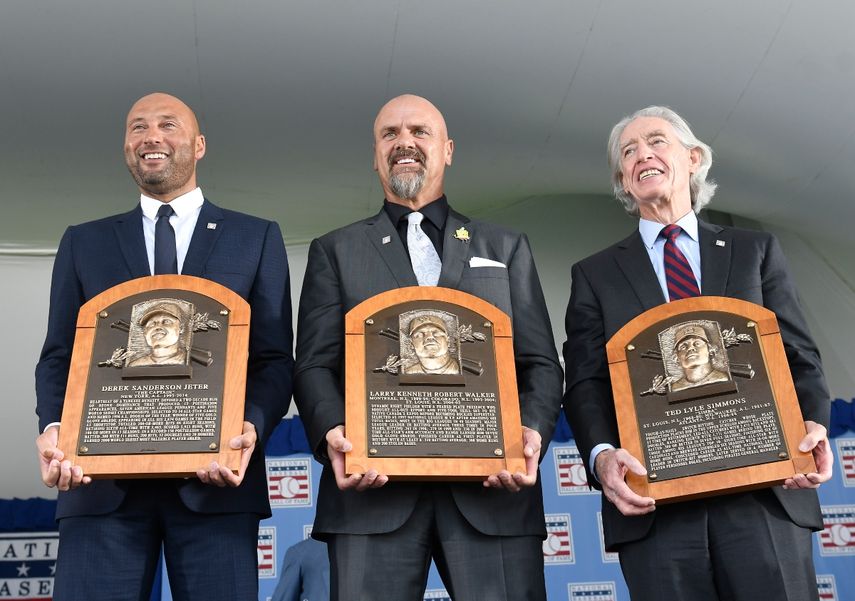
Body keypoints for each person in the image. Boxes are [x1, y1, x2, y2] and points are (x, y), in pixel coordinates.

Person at [294, 94, 562, 601]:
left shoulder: (505, 247)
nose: (405, 144)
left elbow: (541, 363)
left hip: (493, 493)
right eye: (389, 135)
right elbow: (313, 364)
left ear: (448, 149)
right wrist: (333, 433)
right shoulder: (335, 250)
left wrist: (529, 434)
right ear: (376, 155)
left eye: (419, 132)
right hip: (372, 497)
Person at [562, 105, 833, 601]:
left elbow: (800, 356)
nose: (642, 154)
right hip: (657, 509)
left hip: (764, 497)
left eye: (656, 141)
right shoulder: (594, 276)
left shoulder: (755, 251)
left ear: (693, 158)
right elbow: (585, 382)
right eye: (628, 151)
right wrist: (602, 458)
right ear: (623, 178)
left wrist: (812, 422)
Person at [34, 92, 294, 601]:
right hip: (99, 487)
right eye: (137, 128)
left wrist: (249, 429)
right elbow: (59, 356)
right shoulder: (83, 242)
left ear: (198, 146)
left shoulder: (255, 237)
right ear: (126, 148)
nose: (151, 136)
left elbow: (272, 359)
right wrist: (54, 429)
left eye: (167, 125)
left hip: (216, 486)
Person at [670, 323, 729, 392]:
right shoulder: (676, 387)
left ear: (710, 350)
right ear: (677, 357)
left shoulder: (722, 378)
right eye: (683, 346)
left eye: (697, 343)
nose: (690, 348)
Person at [127, 302, 188, 367]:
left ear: (181, 328)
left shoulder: (187, 360)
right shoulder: (135, 365)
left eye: (166, 321)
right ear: (145, 332)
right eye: (152, 324)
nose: (157, 327)